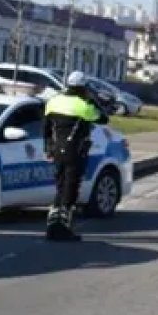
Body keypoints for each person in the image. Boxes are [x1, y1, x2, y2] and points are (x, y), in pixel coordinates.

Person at [42, 70, 108, 242]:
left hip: (56, 150)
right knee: (71, 188)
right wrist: (93, 100)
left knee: (60, 186)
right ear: (82, 87)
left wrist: (47, 148)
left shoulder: (53, 102)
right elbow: (103, 118)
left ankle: (52, 225)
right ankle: (64, 227)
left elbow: (46, 129)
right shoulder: (83, 106)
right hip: (76, 151)